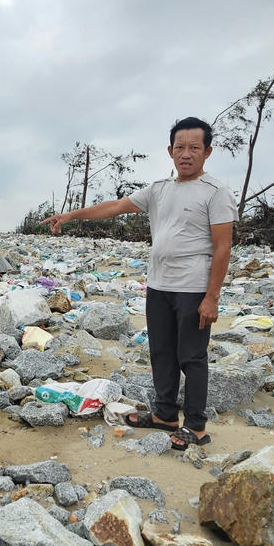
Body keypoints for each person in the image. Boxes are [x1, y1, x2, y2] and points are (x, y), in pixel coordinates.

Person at [40, 117, 235, 448]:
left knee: (192, 356)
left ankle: (197, 427)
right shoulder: (159, 189)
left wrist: (211, 297)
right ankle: (164, 415)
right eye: (180, 148)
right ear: (170, 151)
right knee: (161, 352)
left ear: (207, 152)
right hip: (159, 285)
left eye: (194, 148)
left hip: (193, 287)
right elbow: (115, 206)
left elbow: (223, 247)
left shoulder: (216, 192)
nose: (186, 154)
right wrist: (70, 216)